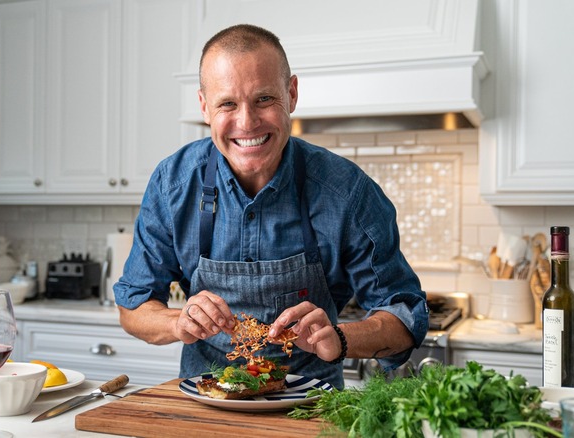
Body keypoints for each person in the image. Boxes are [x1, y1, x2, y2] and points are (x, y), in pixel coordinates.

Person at [113, 24, 427, 389]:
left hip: (311, 407)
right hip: (206, 403)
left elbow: (405, 316)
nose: (247, 122)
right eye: (227, 103)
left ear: (291, 94)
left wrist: (340, 338)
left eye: (264, 99)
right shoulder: (174, 184)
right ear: (204, 106)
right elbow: (132, 307)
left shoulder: (346, 192)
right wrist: (176, 322)